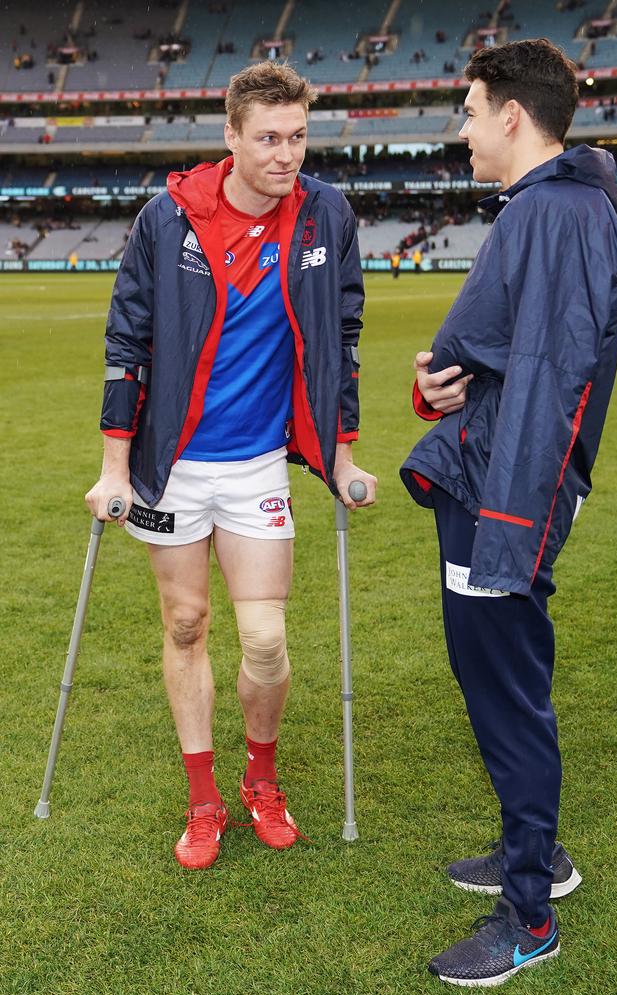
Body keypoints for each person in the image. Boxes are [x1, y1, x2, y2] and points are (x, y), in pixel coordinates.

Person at [86, 60, 376, 871]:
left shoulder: (325, 213)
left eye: (299, 137)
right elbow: (126, 346)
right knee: (185, 624)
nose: (286, 156)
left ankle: (262, 779)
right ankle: (203, 798)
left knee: (265, 639)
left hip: (257, 466)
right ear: (231, 137)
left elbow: (340, 342)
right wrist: (115, 469)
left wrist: (343, 455)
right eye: (270, 139)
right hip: (169, 465)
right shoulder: (166, 218)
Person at [401, 39, 617, 987]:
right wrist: (436, 390)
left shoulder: (562, 216)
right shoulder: (544, 210)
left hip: (508, 497)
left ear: (511, 116)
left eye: (468, 108)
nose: (461, 129)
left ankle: (530, 914)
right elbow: (495, 364)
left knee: (505, 690)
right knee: (493, 677)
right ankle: (537, 852)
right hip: (490, 478)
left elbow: (553, 386)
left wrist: (510, 530)